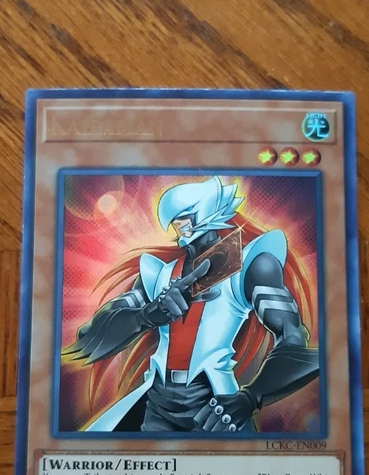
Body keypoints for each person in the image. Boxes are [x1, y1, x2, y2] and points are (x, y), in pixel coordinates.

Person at [63, 176, 318, 432]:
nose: (178, 228)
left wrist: (250, 398)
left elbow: (292, 338)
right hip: (158, 404)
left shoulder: (251, 265)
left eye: (184, 220)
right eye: (176, 223)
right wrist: (146, 316)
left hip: (213, 407)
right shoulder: (160, 275)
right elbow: (92, 332)